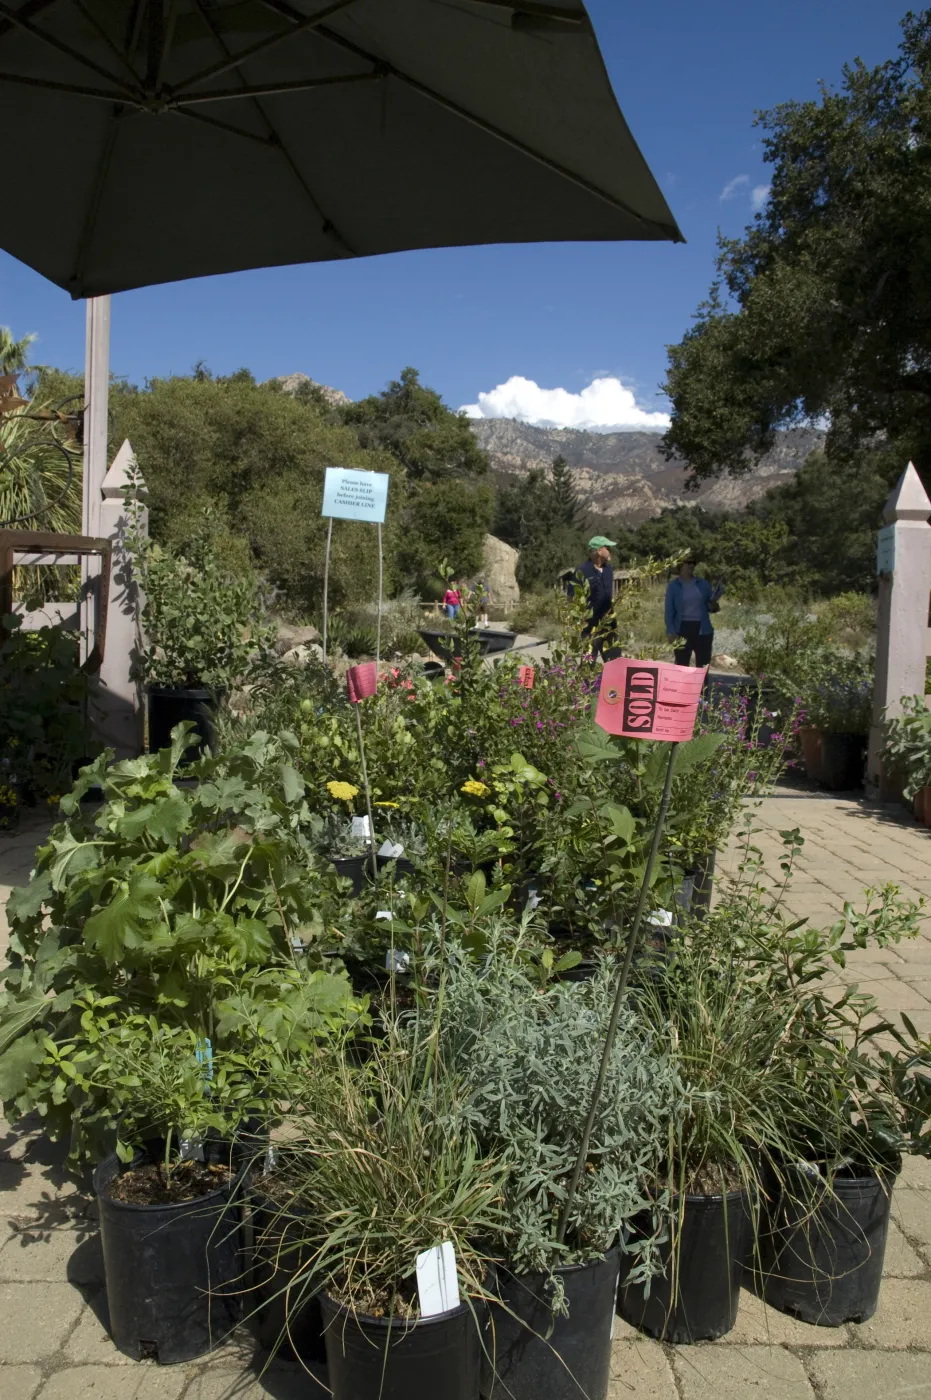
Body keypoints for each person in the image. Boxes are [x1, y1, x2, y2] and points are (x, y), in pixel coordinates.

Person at [664, 557, 723, 667]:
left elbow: (711, 608)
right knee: (681, 667)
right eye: (689, 563)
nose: (692, 565)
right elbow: (669, 612)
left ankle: (702, 685)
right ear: (680, 566)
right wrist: (671, 632)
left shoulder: (703, 584)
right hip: (682, 629)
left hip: (703, 630)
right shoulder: (673, 586)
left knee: (703, 667)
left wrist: (714, 605)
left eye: (694, 563)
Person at [572, 536, 616, 656]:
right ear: (599, 551)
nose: (609, 551)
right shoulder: (582, 571)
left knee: (615, 663)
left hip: (608, 625)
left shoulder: (609, 570)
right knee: (588, 665)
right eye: (607, 548)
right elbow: (572, 598)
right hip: (589, 627)